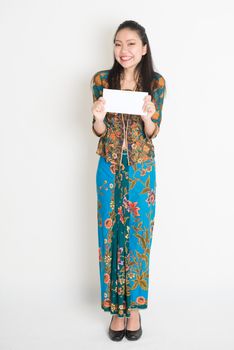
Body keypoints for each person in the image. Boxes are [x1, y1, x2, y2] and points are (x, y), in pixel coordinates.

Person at [91, 20, 166, 341]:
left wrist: (149, 116)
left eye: (131, 44)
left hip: (140, 170)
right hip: (109, 167)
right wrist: (97, 117)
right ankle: (114, 311)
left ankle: (133, 310)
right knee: (110, 236)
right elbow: (99, 131)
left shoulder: (156, 83)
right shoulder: (101, 80)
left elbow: (153, 133)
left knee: (137, 236)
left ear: (144, 48)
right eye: (119, 43)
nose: (124, 50)